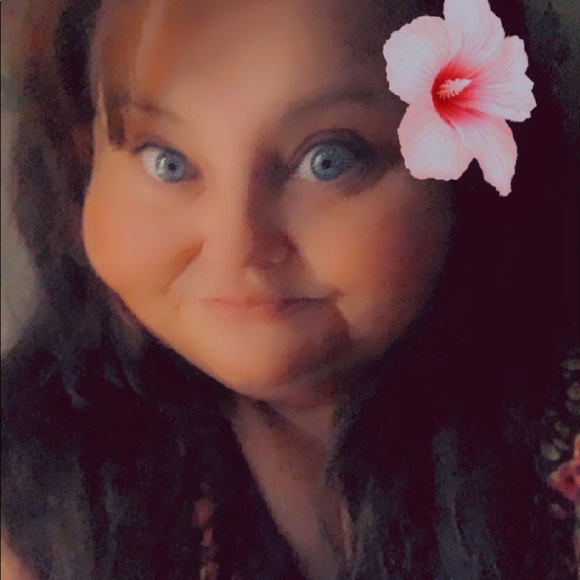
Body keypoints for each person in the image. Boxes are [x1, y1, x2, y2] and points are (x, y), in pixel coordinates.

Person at [1, 0, 578, 578]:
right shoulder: (33, 490)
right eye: (167, 161)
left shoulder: (554, 433)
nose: (237, 246)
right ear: (83, 164)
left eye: (329, 160)